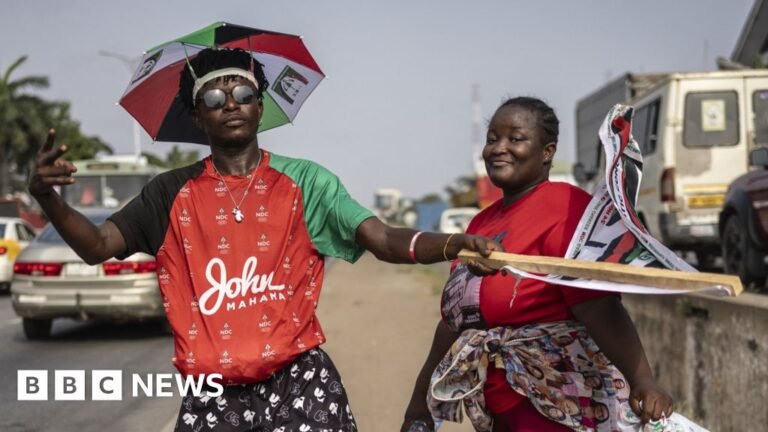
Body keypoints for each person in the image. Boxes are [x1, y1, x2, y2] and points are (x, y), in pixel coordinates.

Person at [27, 47, 501, 432]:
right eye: (214, 98)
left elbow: (383, 238)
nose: (230, 104)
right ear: (196, 117)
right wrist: (47, 196)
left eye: (243, 93)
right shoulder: (169, 193)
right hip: (211, 397)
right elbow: (96, 246)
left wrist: (452, 244)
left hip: (301, 387)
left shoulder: (306, 183)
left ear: (260, 105)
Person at [401, 97, 673, 432]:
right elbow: (455, 322)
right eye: (492, 139)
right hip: (500, 405)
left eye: (515, 139)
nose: (499, 148)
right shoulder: (480, 223)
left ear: (547, 152)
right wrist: (420, 402)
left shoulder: (567, 208)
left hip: (557, 407)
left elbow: (597, 306)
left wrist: (642, 379)